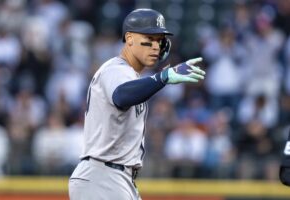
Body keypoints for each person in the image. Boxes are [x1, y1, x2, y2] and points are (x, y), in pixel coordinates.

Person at [68, 8, 206, 200]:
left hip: (116, 177)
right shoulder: (116, 69)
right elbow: (122, 96)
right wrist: (163, 77)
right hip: (103, 175)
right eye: (149, 38)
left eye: (160, 40)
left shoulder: (132, 76)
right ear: (130, 38)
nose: (156, 46)